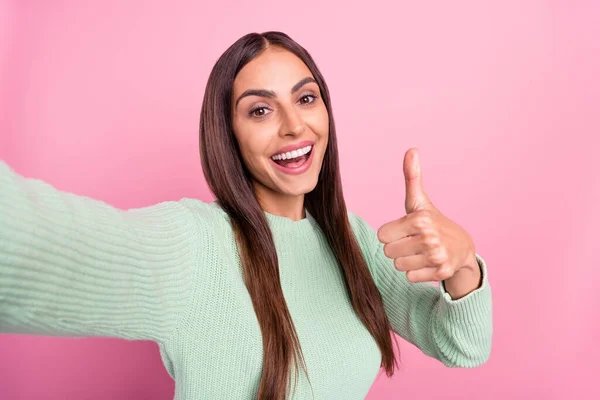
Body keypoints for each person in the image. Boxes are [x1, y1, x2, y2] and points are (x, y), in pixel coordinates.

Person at [0, 31, 492, 400]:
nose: (294, 125)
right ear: (227, 134)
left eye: (306, 98)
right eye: (260, 110)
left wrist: (464, 266)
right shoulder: (197, 245)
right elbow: (33, 249)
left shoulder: (353, 240)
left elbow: (463, 346)